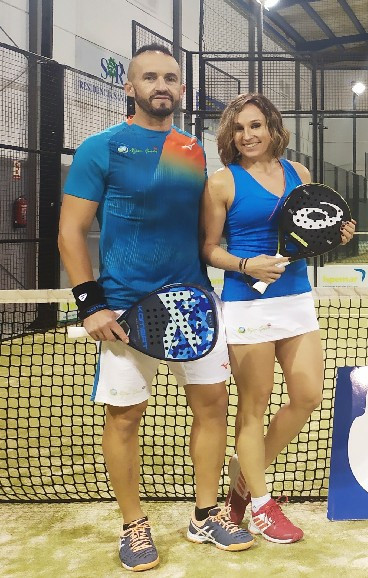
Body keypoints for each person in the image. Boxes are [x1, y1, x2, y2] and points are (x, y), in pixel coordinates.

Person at [58, 44, 253, 573]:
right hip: (125, 310)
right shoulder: (100, 148)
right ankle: (133, 524)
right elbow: (71, 231)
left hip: (194, 305)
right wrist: (90, 304)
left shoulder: (193, 150)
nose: (161, 85)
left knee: (213, 406)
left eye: (170, 77)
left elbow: (209, 227)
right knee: (124, 418)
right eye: (149, 77)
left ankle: (205, 515)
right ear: (130, 87)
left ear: (181, 89)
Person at [201, 93, 355, 544]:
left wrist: (337, 235)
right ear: (230, 136)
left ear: (272, 128)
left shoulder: (298, 174)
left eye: (255, 126)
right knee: (254, 407)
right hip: (247, 304)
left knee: (307, 396)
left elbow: (310, 231)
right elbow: (208, 248)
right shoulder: (222, 183)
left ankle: (243, 480)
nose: (247, 135)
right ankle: (263, 506)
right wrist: (246, 265)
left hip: (296, 300)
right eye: (238, 129)